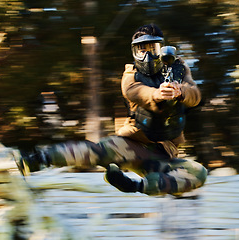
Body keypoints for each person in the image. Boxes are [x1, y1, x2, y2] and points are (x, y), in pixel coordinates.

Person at [13, 23, 207, 196]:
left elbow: (195, 96)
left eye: (153, 48)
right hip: (131, 144)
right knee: (95, 151)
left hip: (163, 155)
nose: (148, 55)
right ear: (134, 52)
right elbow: (137, 93)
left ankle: (134, 186)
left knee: (198, 173)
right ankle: (36, 159)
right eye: (142, 50)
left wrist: (180, 91)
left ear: (162, 49)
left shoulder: (177, 68)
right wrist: (159, 94)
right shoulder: (130, 76)